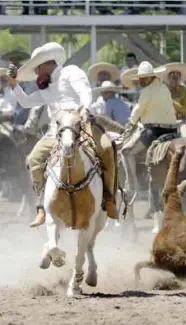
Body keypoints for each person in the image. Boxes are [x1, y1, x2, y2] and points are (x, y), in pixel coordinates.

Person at [6, 42, 118, 228]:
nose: (36, 75)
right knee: (34, 158)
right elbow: (25, 102)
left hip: (80, 124)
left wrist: (85, 110)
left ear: (44, 65)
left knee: (107, 147)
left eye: (37, 70)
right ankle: (41, 206)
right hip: (55, 131)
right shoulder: (46, 88)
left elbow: (85, 92)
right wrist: (13, 84)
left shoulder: (71, 72)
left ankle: (109, 199)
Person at [120, 61, 178, 191]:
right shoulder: (164, 87)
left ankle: (132, 185)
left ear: (151, 77)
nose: (141, 80)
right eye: (140, 78)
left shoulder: (148, 91)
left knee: (126, 151)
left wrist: (131, 123)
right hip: (173, 130)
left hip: (155, 131)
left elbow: (138, 109)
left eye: (144, 78)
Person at [162, 62, 186, 138]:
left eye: (178, 74)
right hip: (163, 122)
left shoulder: (185, 91)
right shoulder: (163, 90)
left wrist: (172, 102)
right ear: (168, 76)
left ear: (180, 77)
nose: (175, 76)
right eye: (172, 74)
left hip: (181, 122)